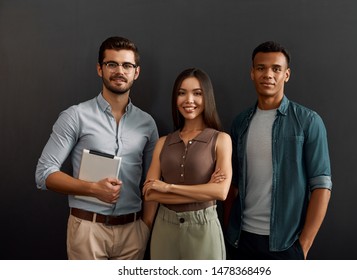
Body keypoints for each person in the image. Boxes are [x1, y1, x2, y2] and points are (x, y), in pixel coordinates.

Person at [35, 36, 159, 260]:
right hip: (87, 230)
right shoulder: (75, 116)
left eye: (126, 65)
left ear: (136, 72)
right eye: (112, 64)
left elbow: (153, 182)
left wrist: (145, 227)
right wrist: (93, 189)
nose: (119, 71)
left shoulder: (147, 124)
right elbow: (44, 175)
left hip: (133, 233)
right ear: (100, 69)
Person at [224, 41, 332, 260]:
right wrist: (228, 229)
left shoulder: (308, 121)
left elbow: (321, 186)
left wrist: (303, 246)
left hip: (285, 244)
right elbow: (231, 185)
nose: (268, 74)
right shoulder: (240, 123)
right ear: (252, 73)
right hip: (240, 240)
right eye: (261, 68)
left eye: (276, 69)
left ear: (287, 75)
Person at [142, 68, 232, 260]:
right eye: (182, 93)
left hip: (204, 228)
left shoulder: (221, 139)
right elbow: (150, 193)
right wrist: (204, 190)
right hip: (164, 229)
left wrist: (167, 188)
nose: (188, 100)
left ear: (207, 97)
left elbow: (221, 192)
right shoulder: (163, 142)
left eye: (197, 93)